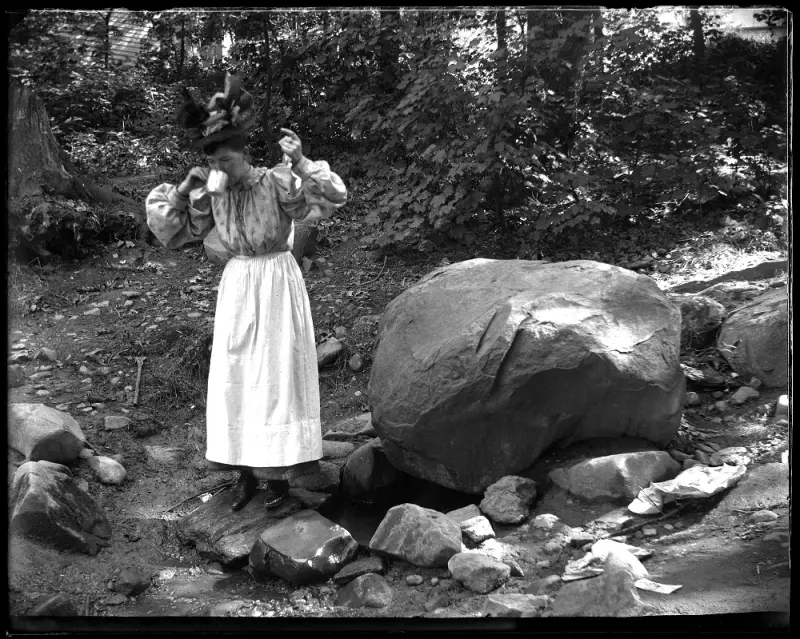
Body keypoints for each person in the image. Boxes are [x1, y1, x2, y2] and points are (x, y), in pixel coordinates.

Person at [145, 72, 347, 510]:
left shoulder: (274, 181)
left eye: (225, 160)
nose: (219, 168)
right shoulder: (212, 190)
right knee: (236, 376)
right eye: (213, 160)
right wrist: (185, 190)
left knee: (274, 376)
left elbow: (330, 198)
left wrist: (301, 164)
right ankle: (243, 475)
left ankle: (278, 479)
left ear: (242, 153)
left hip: (276, 279)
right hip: (238, 284)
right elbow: (170, 230)